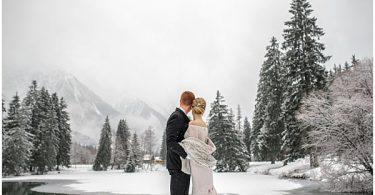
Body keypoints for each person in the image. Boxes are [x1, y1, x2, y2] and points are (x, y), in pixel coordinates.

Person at [179, 97, 217, 195]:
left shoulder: (190, 125)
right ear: (203, 110)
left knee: (198, 188)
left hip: (196, 162)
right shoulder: (205, 125)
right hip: (206, 162)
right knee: (208, 185)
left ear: (192, 109)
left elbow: (186, 144)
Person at [166, 91, 195, 195]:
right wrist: (186, 155)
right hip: (178, 166)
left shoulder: (181, 117)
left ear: (180, 101)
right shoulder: (177, 117)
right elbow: (170, 142)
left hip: (182, 166)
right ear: (192, 106)